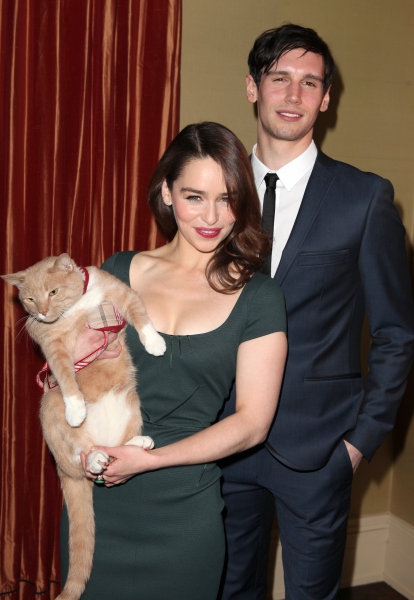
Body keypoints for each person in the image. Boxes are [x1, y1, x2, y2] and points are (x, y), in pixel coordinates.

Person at [218, 23, 414, 600]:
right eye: (279, 79)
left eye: (310, 83)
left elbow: (397, 333)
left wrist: (359, 443)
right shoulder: (215, 191)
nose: (293, 95)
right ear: (253, 87)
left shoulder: (366, 197)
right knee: (228, 589)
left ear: (326, 99)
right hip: (222, 440)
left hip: (321, 449)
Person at [61, 121, 287, 600]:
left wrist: (148, 460)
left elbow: (252, 423)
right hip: (97, 511)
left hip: (185, 516)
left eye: (226, 198)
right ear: (166, 193)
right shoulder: (118, 270)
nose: (212, 215)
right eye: (194, 196)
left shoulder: (260, 297)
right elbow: (71, 377)